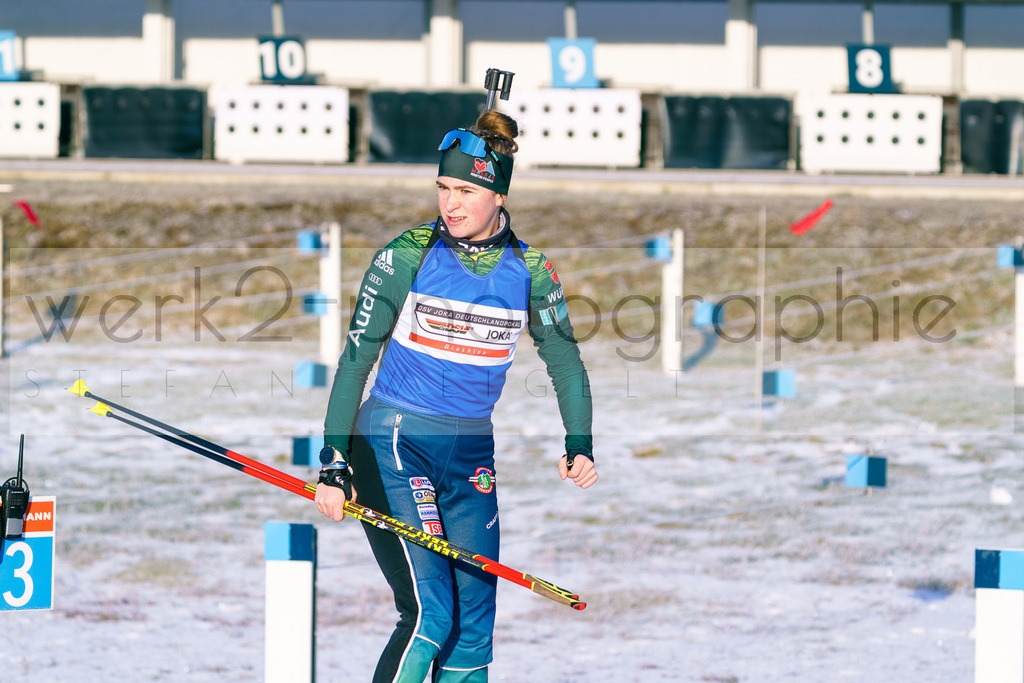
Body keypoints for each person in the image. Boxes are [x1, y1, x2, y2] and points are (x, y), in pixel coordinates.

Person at [314, 109, 596, 683]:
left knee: (473, 626)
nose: (450, 203)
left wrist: (579, 442)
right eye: (443, 187)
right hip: (393, 443)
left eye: (466, 190)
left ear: (498, 196)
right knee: (429, 614)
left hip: (469, 456)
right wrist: (334, 460)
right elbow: (355, 359)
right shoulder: (408, 255)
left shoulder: (531, 270)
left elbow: (564, 360)